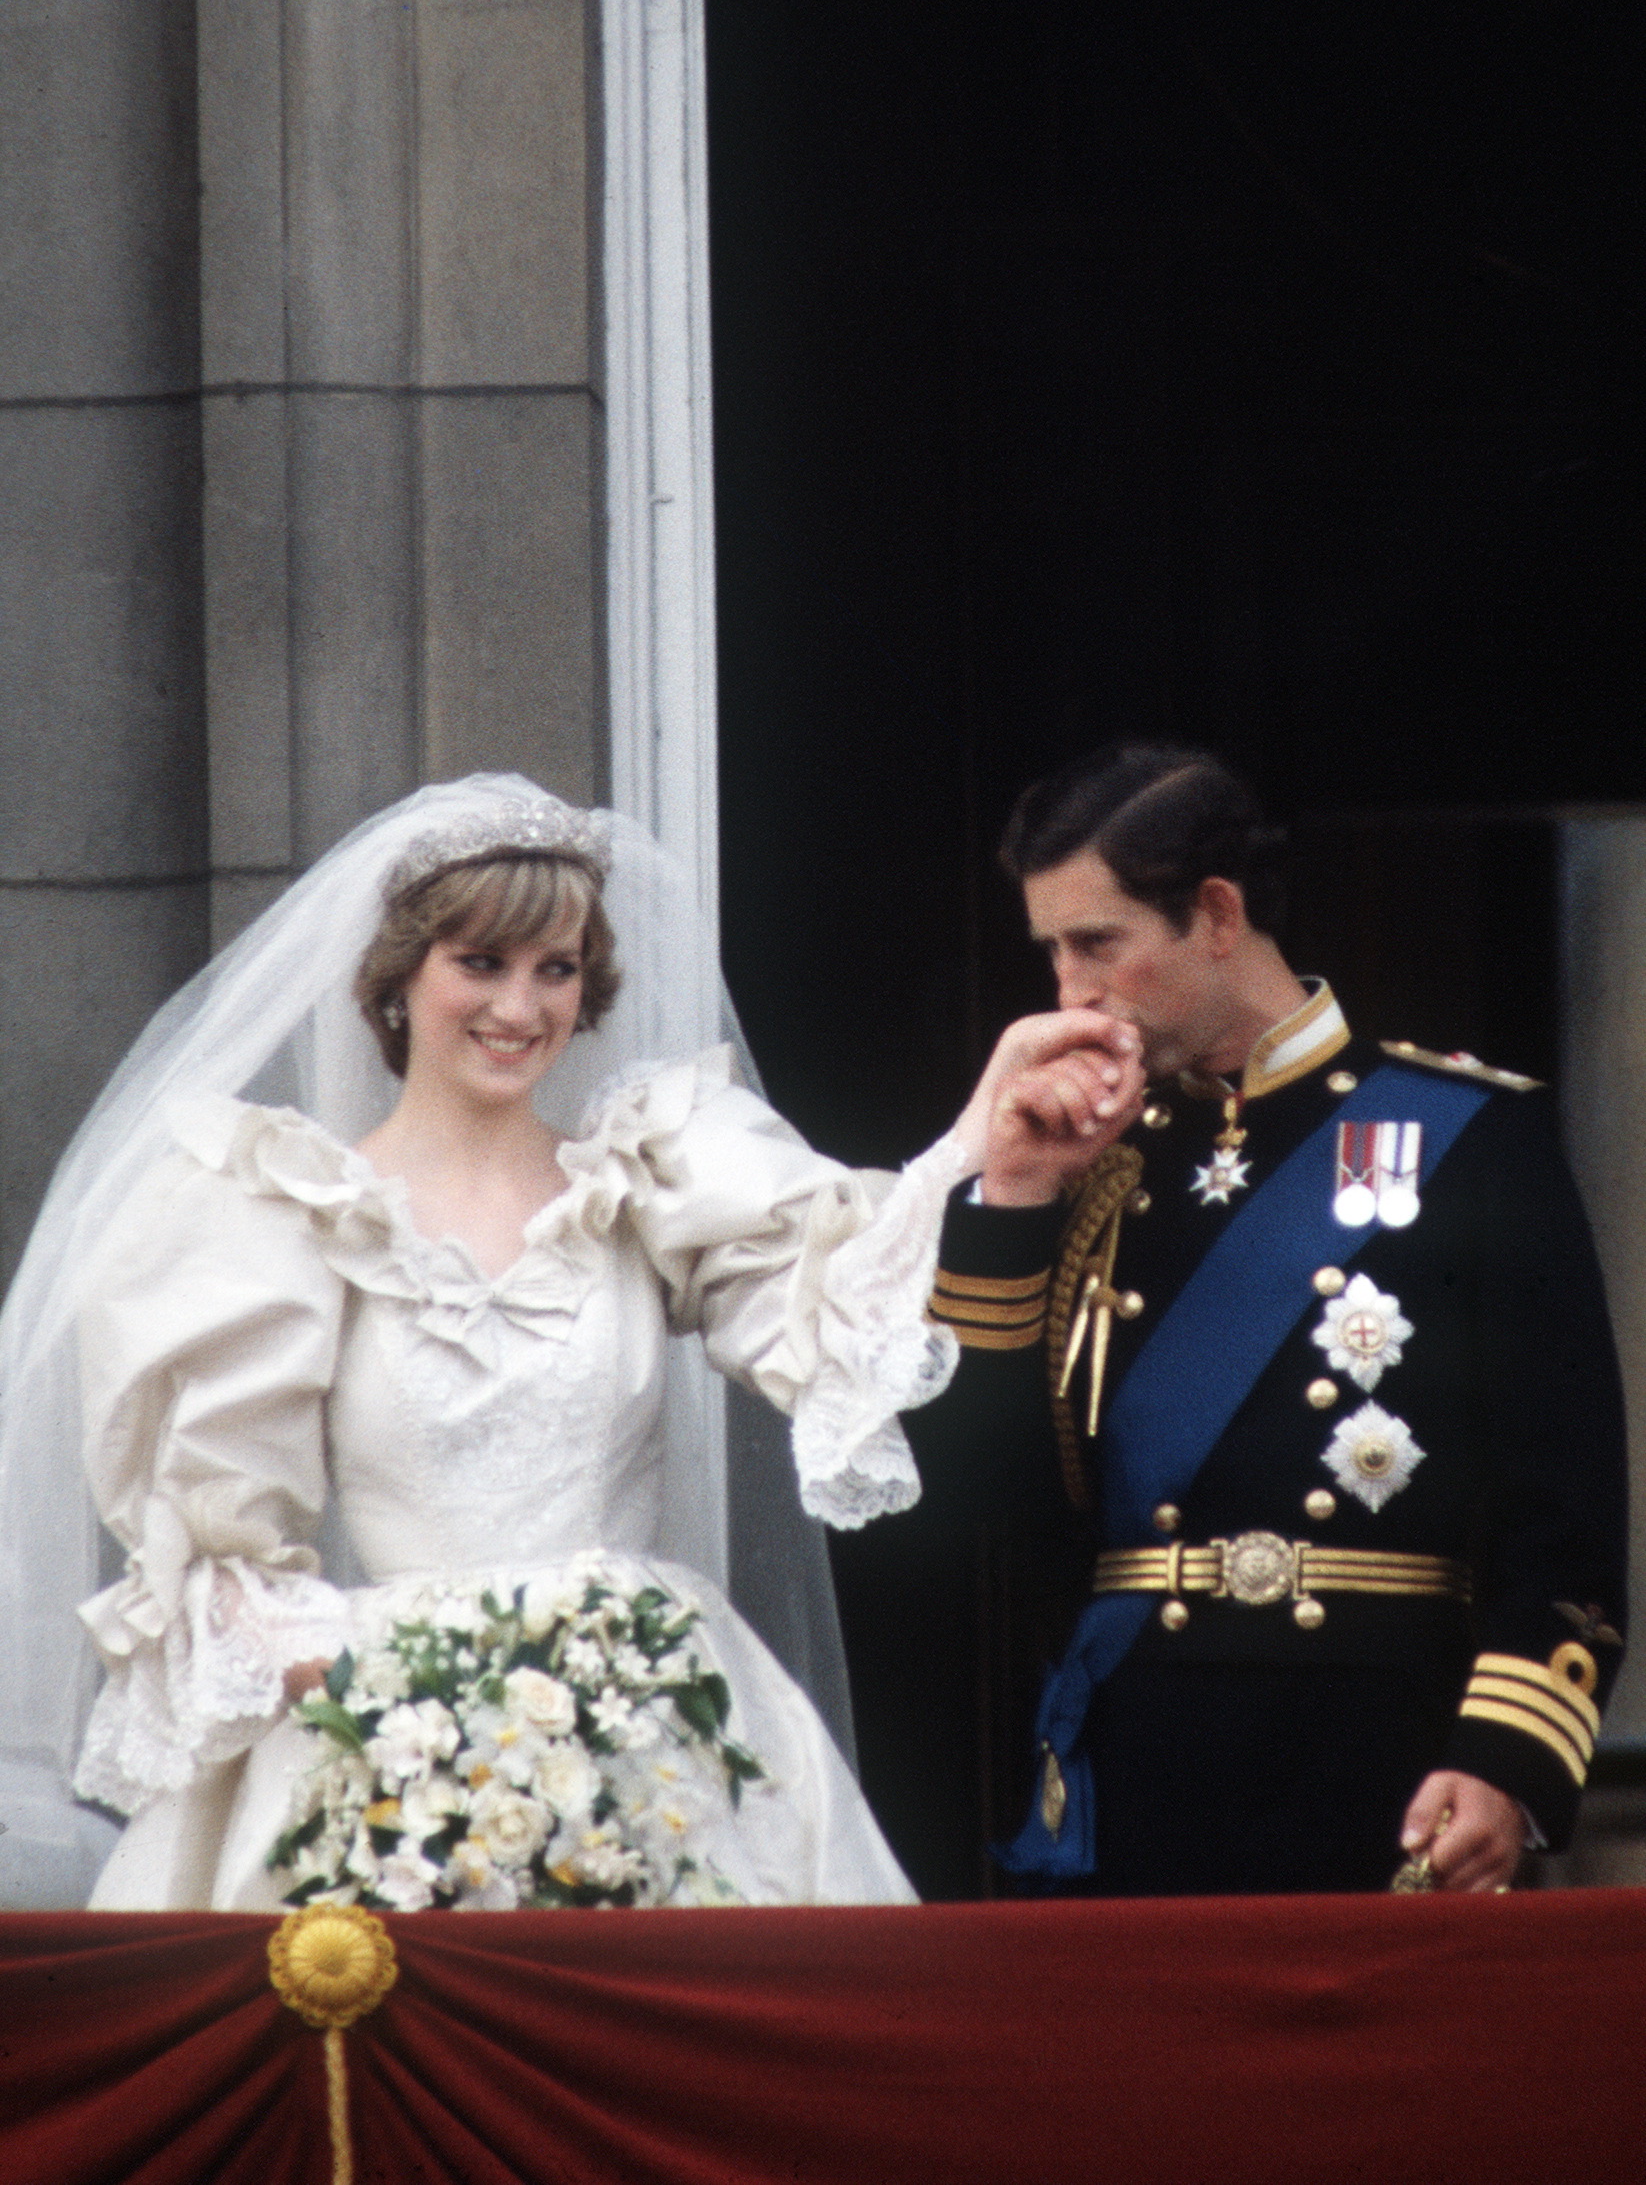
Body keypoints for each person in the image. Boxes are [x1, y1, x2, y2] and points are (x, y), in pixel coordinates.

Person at [0, 774, 1129, 1911]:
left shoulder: (653, 1173)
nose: (521, 1005)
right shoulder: (283, 1210)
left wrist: (989, 1151)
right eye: (479, 962)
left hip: (651, 1723)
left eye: (556, 967)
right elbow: (212, 1553)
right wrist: (413, 1704)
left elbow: (851, 1318)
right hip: (383, 1752)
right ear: (397, 978)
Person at [916, 742, 1629, 1896]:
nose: (1066, 993)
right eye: (1049, 949)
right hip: (1136, 1765)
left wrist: (1502, 1757)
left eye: (1096, 944)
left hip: (1382, 1759)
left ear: (1213, 913)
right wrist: (1006, 1202)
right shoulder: (1083, 1162)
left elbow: (1563, 1512)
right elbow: (971, 1509)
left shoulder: (1464, 1137)